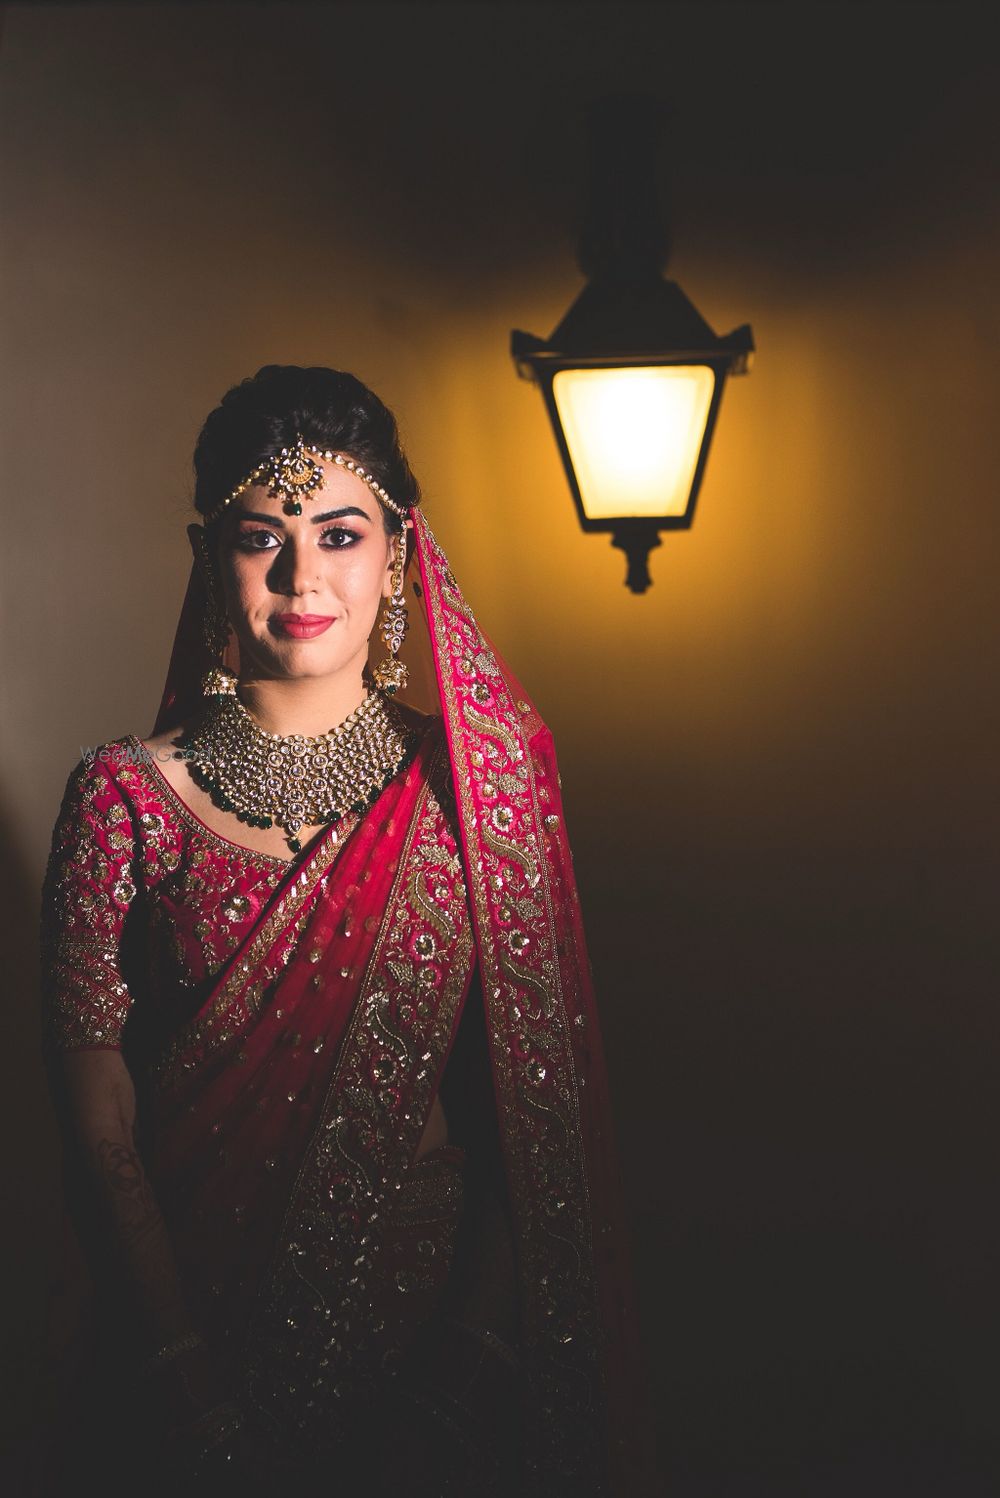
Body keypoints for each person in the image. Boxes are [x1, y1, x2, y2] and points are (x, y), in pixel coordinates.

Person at [37, 365, 651, 1497]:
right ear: (207, 550)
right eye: (260, 534)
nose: (301, 574)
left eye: (338, 533)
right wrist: (182, 1375)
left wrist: (466, 1366)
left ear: (399, 551)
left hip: (428, 1357)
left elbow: (539, 1108)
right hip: (182, 1331)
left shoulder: (481, 783)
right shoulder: (120, 793)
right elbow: (96, 1107)